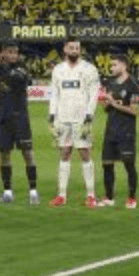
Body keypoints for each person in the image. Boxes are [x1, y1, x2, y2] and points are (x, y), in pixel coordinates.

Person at [47, 39, 100, 208]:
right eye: (71, 47)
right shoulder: (58, 70)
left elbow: (94, 93)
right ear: (65, 49)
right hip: (63, 118)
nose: (75, 50)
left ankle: (91, 195)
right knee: (64, 153)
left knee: (85, 153)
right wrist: (52, 116)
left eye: (77, 48)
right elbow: (55, 93)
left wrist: (89, 115)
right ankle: (61, 195)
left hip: (81, 118)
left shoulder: (89, 69)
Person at [0, 43, 40, 204]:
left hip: (20, 118)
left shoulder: (22, 68)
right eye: (10, 52)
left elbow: (21, 81)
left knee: (27, 153)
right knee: (4, 155)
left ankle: (33, 192)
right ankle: (7, 192)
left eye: (15, 52)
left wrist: (0, 72)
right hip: (3, 118)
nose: (13, 55)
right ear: (4, 53)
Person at [98, 53, 139, 207]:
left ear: (124, 66)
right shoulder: (110, 83)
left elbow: (135, 110)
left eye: (115, 65)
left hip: (126, 131)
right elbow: (105, 109)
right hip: (111, 129)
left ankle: (132, 197)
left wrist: (115, 104)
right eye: (111, 65)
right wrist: (104, 100)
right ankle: (109, 197)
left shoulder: (133, 85)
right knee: (107, 164)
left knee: (129, 164)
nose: (112, 67)